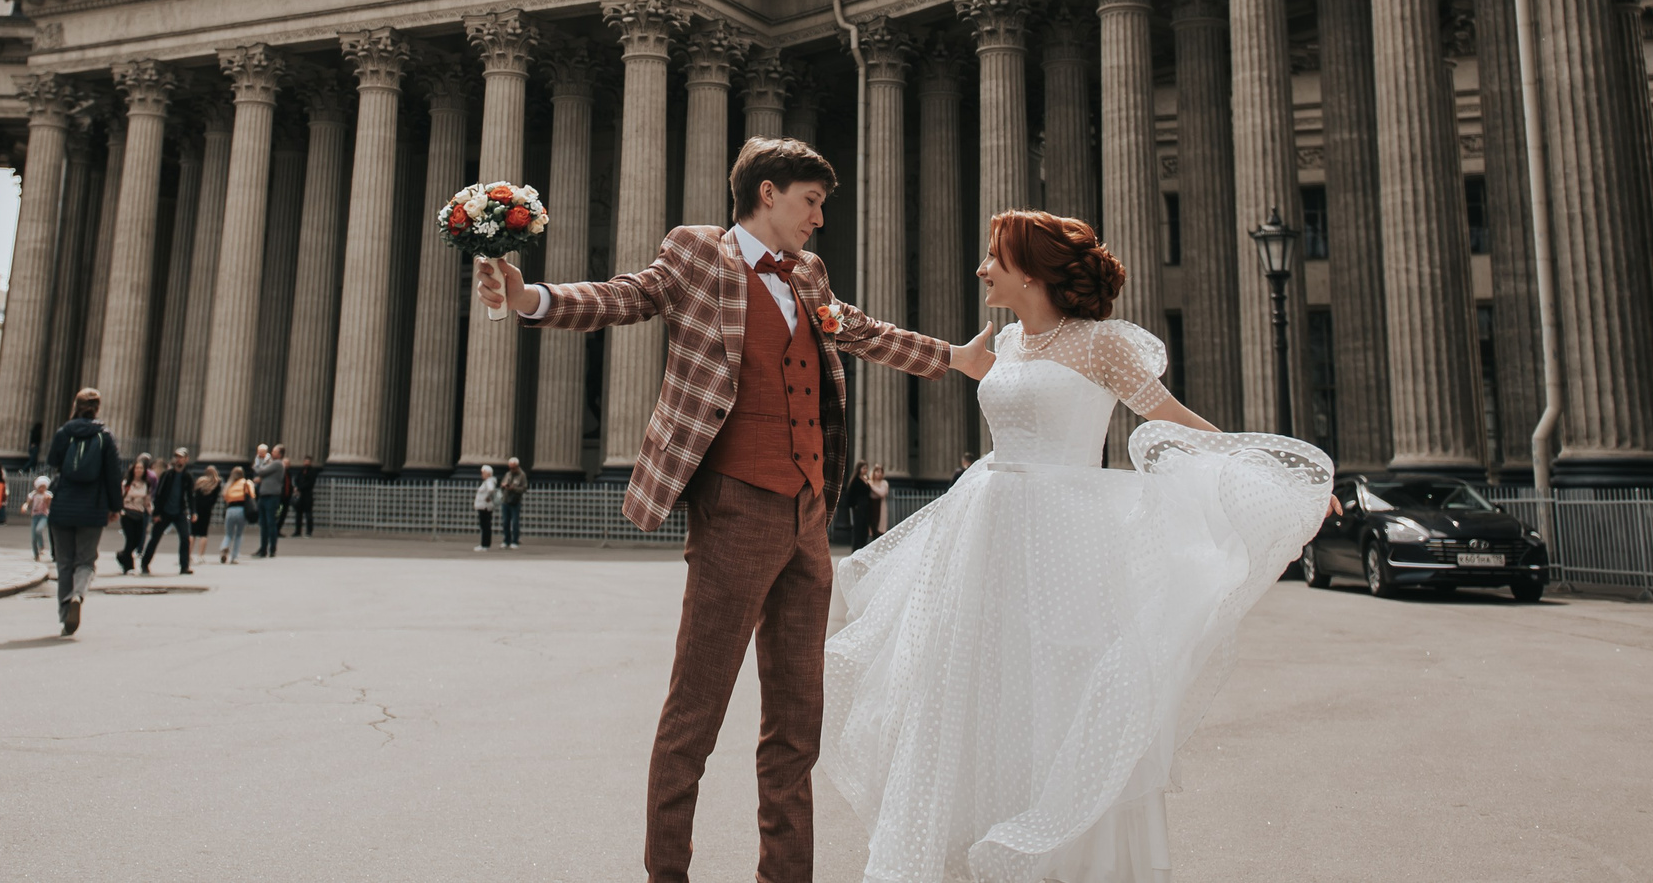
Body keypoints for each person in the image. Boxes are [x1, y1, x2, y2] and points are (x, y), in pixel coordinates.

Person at [475, 136, 974, 883]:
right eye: (812, 201)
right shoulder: (697, 253)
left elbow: (860, 330)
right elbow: (624, 295)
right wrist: (529, 297)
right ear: (767, 192)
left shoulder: (808, 273)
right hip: (735, 506)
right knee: (695, 716)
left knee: (795, 724)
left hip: (809, 514)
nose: (819, 219)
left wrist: (955, 359)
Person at [823, 209, 1334, 883]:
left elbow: (1172, 419)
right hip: (987, 528)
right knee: (968, 689)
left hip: (1067, 532)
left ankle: (1058, 858)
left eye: (993, 258)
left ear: (1031, 271)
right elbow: (973, 376)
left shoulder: (1100, 345)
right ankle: (965, 850)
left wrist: (1268, 470)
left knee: (1065, 688)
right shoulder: (1004, 344)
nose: (981, 269)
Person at [41, 387, 122, 636]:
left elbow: (52, 461)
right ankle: (78, 595)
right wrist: (115, 507)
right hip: (92, 507)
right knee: (86, 562)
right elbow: (113, 475)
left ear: (75, 405)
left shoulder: (65, 432)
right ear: (97, 408)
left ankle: (65, 615)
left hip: (63, 505)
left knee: (64, 563)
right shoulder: (104, 437)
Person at [145, 447, 195, 575]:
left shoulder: (187, 476)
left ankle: (184, 566)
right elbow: (159, 494)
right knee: (155, 538)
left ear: (186, 459)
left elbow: (190, 496)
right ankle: (144, 563)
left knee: (185, 538)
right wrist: (156, 513)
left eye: (181, 457)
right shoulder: (167, 474)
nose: (178, 459)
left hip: (179, 512)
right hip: (164, 512)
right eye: (177, 457)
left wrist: (193, 512)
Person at [116, 458, 153, 574]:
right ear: (133, 469)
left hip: (140, 514)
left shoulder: (146, 484)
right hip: (127, 513)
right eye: (137, 468)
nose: (139, 470)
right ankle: (129, 566)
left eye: (141, 468)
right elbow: (123, 496)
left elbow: (147, 499)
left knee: (137, 541)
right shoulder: (127, 483)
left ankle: (122, 555)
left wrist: (151, 510)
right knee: (130, 539)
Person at [253, 444, 286, 558]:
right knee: (264, 523)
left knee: (270, 523)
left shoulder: (277, 463)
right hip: (265, 495)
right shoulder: (272, 463)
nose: (272, 453)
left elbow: (261, 471)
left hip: (272, 496)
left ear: (280, 454)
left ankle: (270, 549)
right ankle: (264, 548)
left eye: (275, 451)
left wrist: (257, 463)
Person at [219, 466, 254, 563]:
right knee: (238, 534)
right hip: (241, 509)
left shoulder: (229, 484)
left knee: (228, 534)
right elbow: (252, 495)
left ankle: (224, 546)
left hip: (230, 509)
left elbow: (225, 497)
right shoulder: (246, 483)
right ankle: (234, 557)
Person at [842, 461, 879, 550]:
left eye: (866, 468)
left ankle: (863, 548)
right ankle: (855, 549)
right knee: (858, 529)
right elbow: (851, 494)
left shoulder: (866, 480)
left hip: (866, 506)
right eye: (863, 468)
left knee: (865, 529)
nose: (865, 470)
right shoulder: (855, 480)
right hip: (859, 506)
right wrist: (854, 505)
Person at [498, 456, 527, 550]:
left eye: (513, 467)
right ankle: (506, 540)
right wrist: (503, 486)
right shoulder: (508, 474)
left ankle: (515, 541)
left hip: (515, 501)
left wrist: (513, 488)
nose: (511, 469)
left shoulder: (522, 475)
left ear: (517, 466)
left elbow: (524, 488)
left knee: (515, 522)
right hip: (506, 501)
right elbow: (502, 483)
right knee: (505, 522)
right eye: (510, 467)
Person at [190, 458, 221, 543]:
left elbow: (195, 496)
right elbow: (215, 498)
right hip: (207, 509)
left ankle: (189, 553)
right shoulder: (216, 483)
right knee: (203, 533)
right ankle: (201, 554)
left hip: (197, 508)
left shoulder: (200, 481)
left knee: (193, 532)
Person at [26, 475, 53, 561]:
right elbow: (28, 503)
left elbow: (49, 506)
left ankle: (41, 546)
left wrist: (47, 501)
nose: (42, 489)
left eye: (44, 487)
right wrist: (25, 506)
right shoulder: (33, 494)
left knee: (39, 530)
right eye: (40, 487)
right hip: (35, 516)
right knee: (34, 537)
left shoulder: (48, 495)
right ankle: (36, 555)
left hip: (44, 515)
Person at [289, 454, 318, 536]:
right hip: (300, 494)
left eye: (308, 461)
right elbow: (297, 479)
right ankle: (298, 531)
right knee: (298, 513)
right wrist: (297, 487)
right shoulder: (301, 470)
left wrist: (299, 488)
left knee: (308, 513)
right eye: (305, 461)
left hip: (307, 494)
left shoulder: (312, 471)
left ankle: (309, 531)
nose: (306, 463)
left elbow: (310, 483)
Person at [472, 464, 499, 551]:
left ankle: (485, 544)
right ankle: (485, 544)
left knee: (485, 526)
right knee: (485, 526)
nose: (482, 475)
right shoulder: (488, 481)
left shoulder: (489, 481)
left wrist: (487, 497)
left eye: (483, 473)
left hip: (485, 507)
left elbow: (491, 490)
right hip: (484, 506)